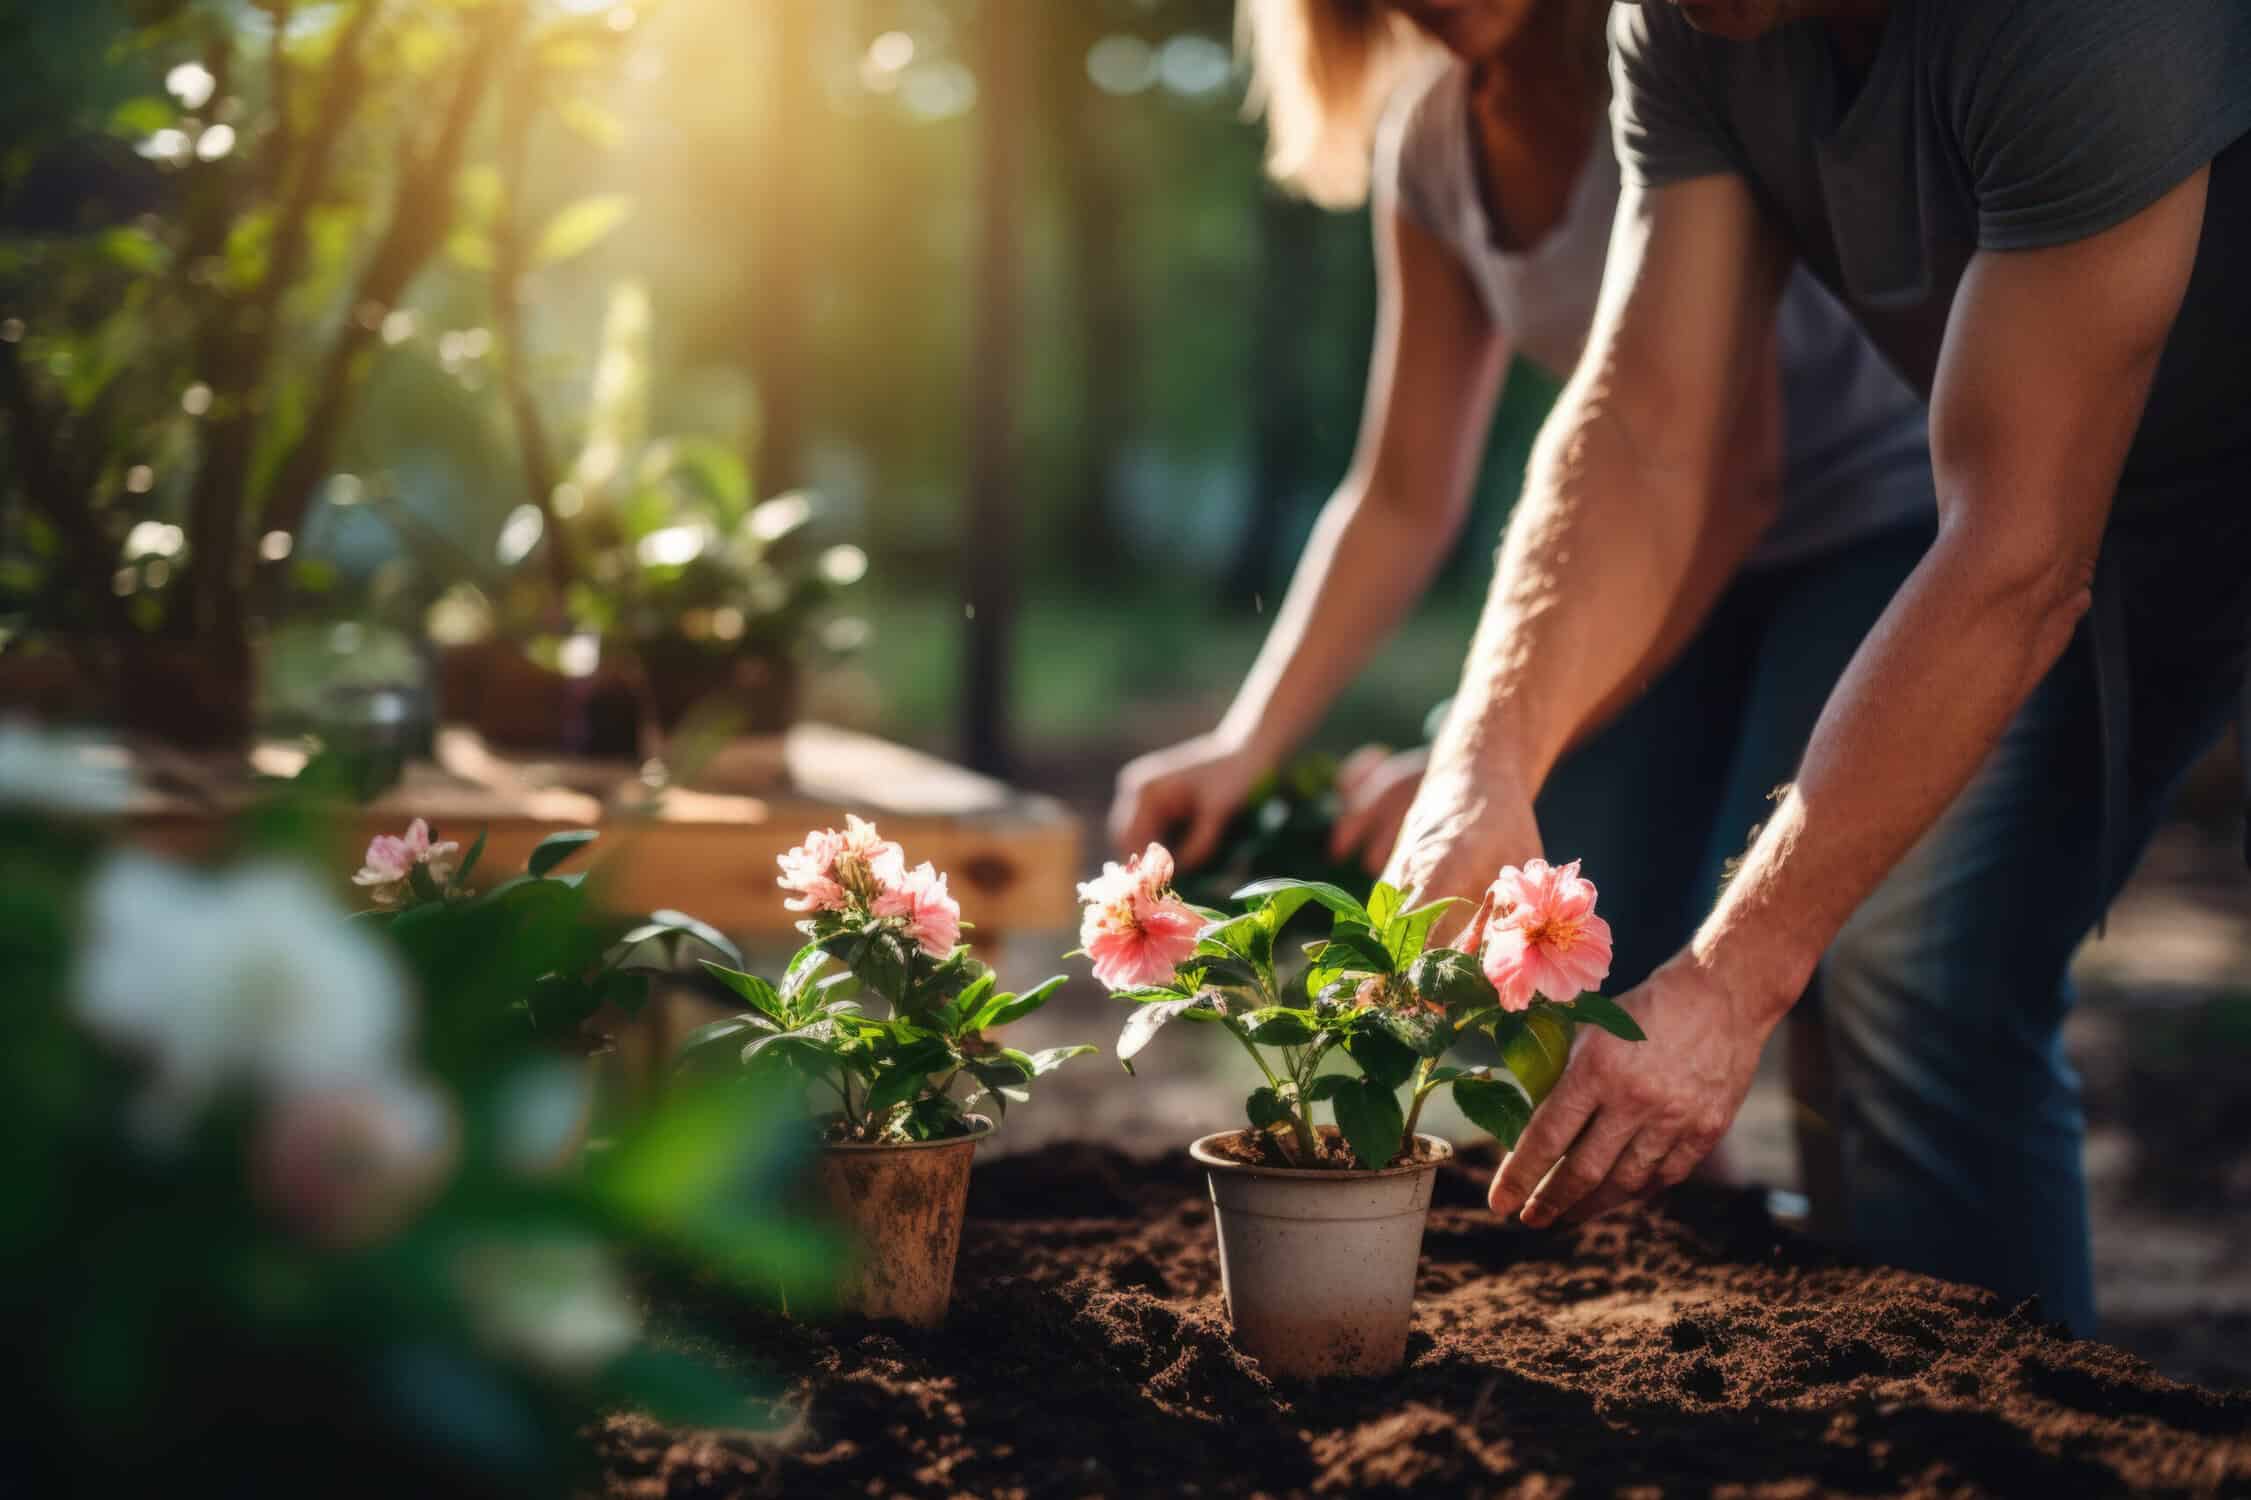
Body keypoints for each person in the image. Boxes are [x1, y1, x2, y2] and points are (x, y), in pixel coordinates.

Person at [1382, 0, 2251, 1336]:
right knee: (1855, 965)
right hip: (2051, 487)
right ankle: (1903, 1408)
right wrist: (1474, 765)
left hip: (2158, 498)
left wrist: (1731, 978)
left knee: (1901, 959)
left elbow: (2017, 553)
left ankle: (2010, 1440)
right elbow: (1645, 429)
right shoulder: (1680, 30)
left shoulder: (2091, 26)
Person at [1112, 0, 1931, 1187]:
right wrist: (1249, 740)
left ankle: (1894, 1277)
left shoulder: (1678, 69)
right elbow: (1397, 495)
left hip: (1866, 529)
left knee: (1833, 964)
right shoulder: (1433, 148)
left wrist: (1473, 751)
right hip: (1661, 561)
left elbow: (1723, 480)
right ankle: (1678, 1272)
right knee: (1583, 945)